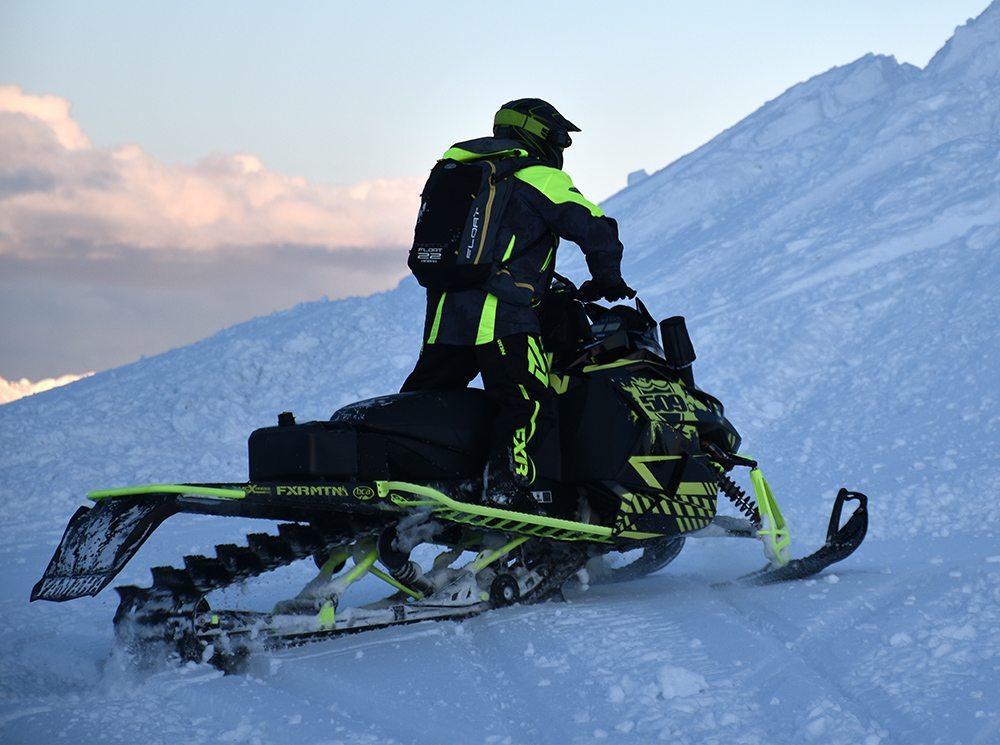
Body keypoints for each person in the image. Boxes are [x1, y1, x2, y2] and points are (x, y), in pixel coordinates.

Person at [401, 98, 633, 513]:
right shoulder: (536, 174)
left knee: (426, 399)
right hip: (502, 314)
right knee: (527, 400)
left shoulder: (460, 172)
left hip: (444, 314)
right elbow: (593, 227)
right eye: (558, 136)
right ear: (536, 133)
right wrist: (608, 279)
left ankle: (406, 476)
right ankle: (506, 490)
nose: (561, 145)